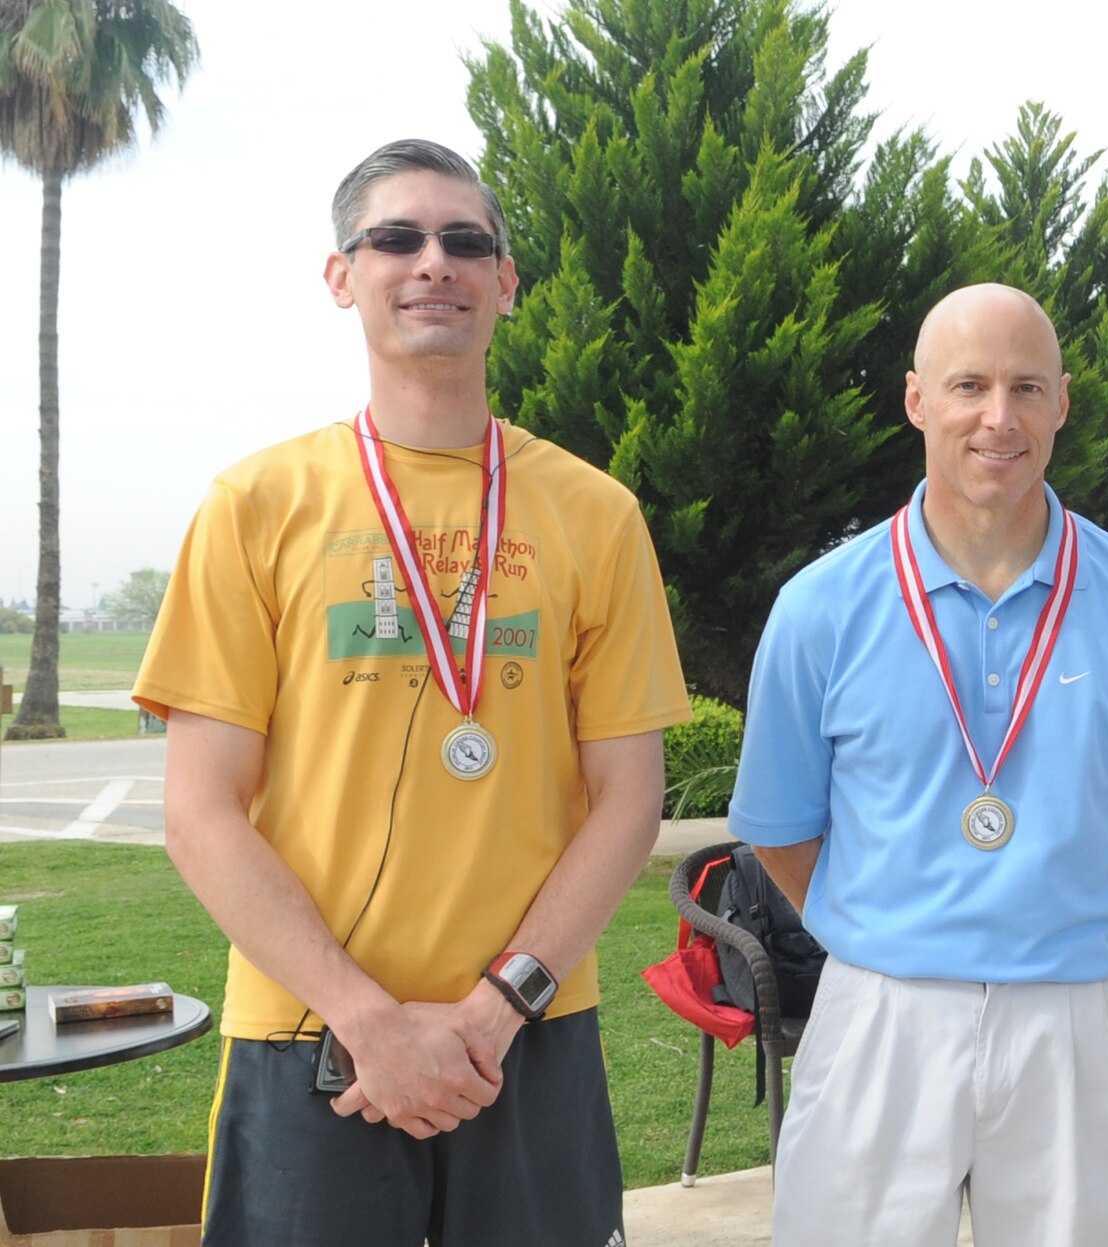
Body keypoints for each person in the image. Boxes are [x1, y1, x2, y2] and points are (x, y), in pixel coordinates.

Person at [135, 138, 688, 1247]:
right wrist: (367, 1018)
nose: (432, 261)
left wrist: (494, 1007)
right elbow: (200, 811)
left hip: (527, 1033)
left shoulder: (595, 512)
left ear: (505, 281)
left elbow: (628, 798)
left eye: (465, 241)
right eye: (396, 237)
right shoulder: (256, 503)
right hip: (309, 1034)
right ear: (343, 277)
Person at [728, 282, 1108, 1246]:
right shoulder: (820, 606)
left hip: (1074, 1018)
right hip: (882, 1011)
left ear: (1062, 402)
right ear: (918, 400)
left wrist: (1093, 935)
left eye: (1026, 386)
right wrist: (881, 927)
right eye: (969, 385)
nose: (997, 417)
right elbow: (780, 827)